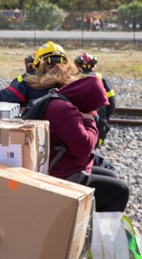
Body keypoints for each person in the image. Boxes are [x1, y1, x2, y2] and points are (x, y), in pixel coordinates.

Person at [26, 43, 129, 213]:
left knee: (111, 176)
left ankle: (91, 222)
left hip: (62, 166)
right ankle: (95, 236)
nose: (96, 112)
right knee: (120, 191)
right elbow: (84, 147)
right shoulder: (65, 109)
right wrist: (89, 121)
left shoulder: (61, 101)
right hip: (62, 175)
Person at [74, 52, 116, 146]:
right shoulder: (100, 78)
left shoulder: (73, 77)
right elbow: (111, 101)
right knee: (96, 147)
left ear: (78, 65)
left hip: (77, 120)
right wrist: (105, 118)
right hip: (99, 120)